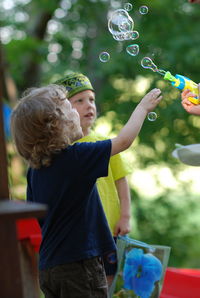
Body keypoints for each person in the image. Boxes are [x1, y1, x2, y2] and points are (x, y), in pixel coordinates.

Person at [11, 84, 162, 298]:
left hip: (48, 267)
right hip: (79, 265)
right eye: (70, 107)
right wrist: (142, 108)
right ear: (56, 125)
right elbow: (123, 141)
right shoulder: (75, 157)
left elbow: (40, 218)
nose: (76, 111)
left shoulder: (35, 169)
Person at [56, 73, 131, 286]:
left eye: (91, 99)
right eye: (79, 101)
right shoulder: (62, 149)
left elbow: (121, 180)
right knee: (86, 279)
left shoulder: (106, 143)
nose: (89, 105)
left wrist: (125, 216)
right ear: (62, 111)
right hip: (82, 233)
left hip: (109, 227)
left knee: (109, 277)